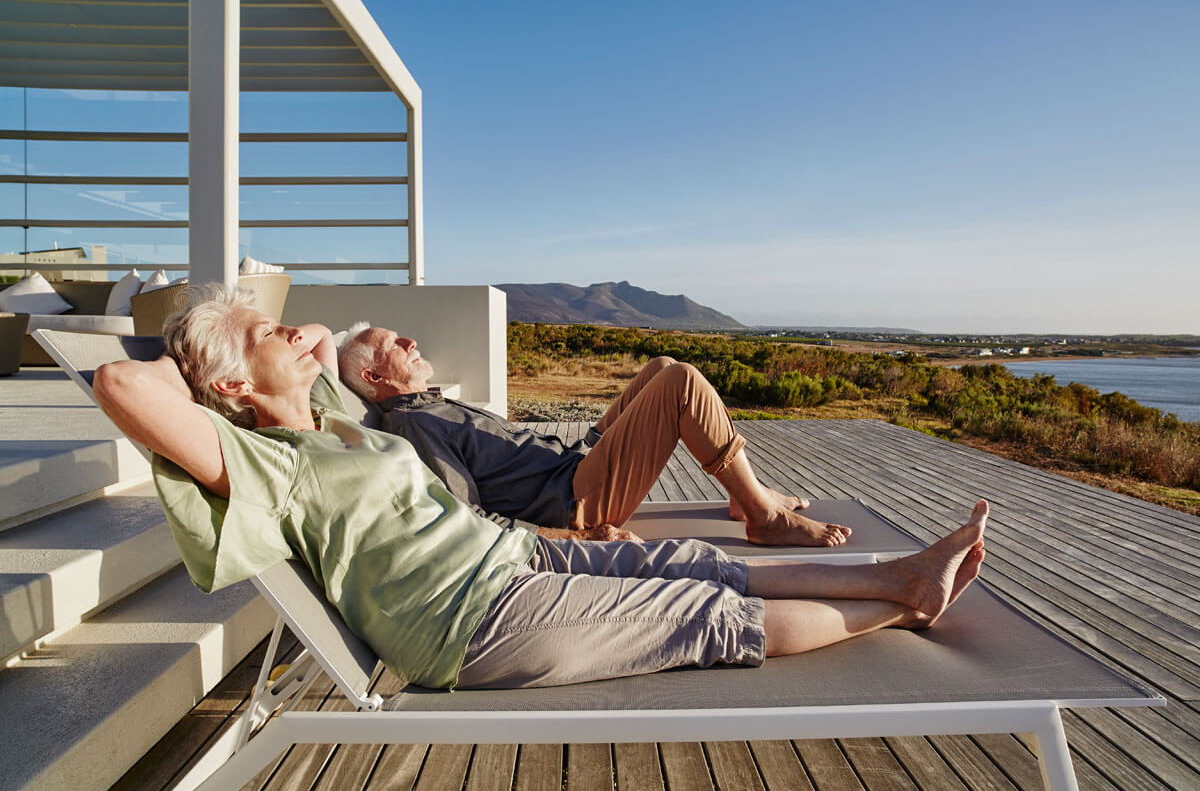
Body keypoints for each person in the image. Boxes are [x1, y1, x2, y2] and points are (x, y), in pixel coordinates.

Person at [93, 284, 987, 691]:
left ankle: (896, 567)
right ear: (229, 390)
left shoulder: (335, 423)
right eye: (266, 335)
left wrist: (258, 340)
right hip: (466, 621)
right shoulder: (265, 461)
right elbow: (121, 386)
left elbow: (327, 338)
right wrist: (198, 356)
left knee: (694, 561)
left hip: (511, 558)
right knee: (700, 615)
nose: (293, 330)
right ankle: (903, 599)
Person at [338, 325, 853, 546]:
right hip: (574, 498)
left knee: (662, 365)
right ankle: (762, 517)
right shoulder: (414, 427)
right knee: (681, 383)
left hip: (571, 461)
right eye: (393, 345)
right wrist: (580, 538)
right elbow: (466, 519)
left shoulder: (427, 405)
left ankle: (747, 494)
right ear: (374, 379)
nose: (409, 341)